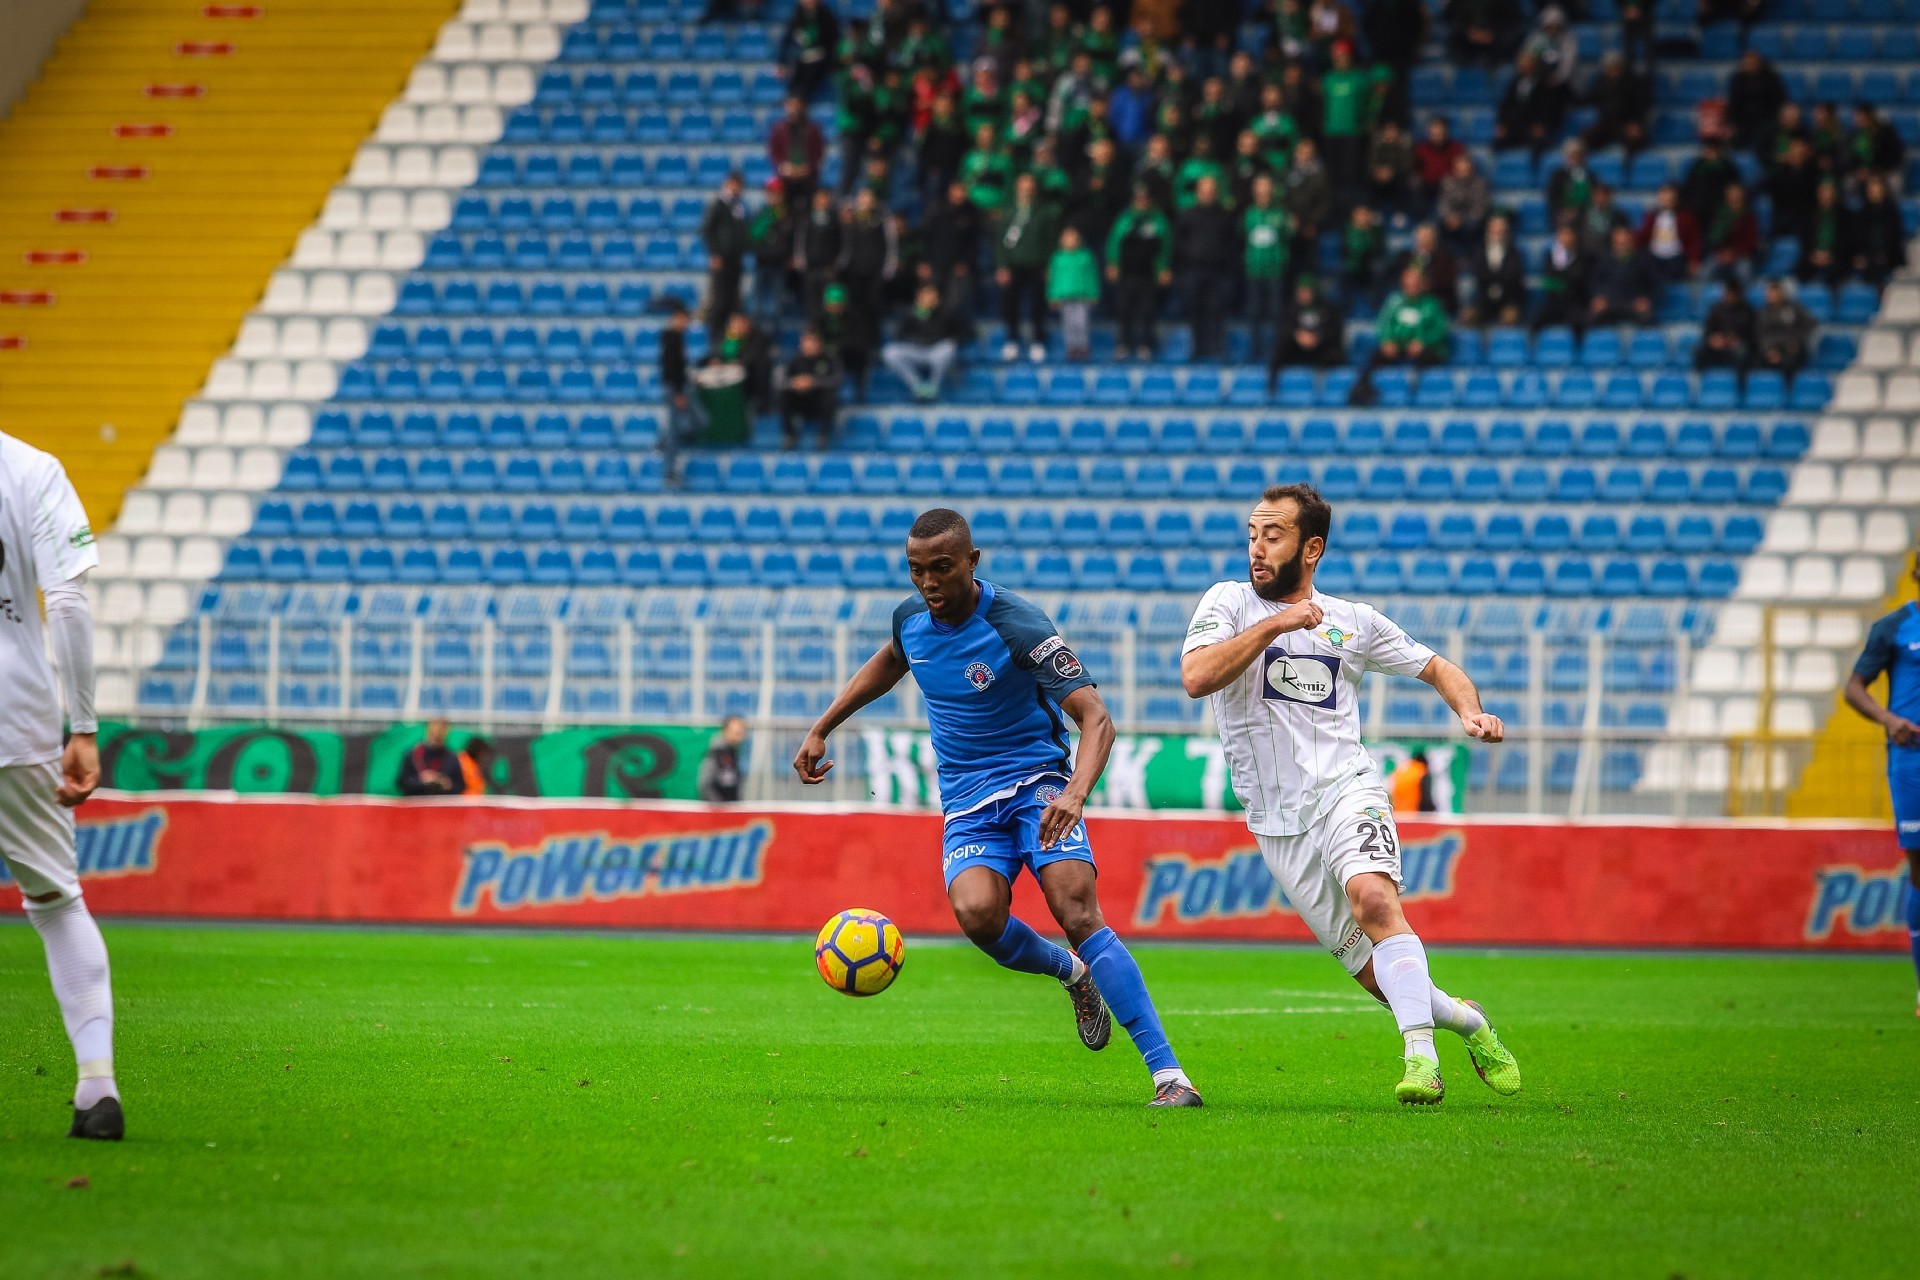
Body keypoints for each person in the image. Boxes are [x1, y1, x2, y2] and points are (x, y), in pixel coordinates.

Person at [794, 508, 1202, 1108]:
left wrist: (1074, 793)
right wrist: (822, 726)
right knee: (978, 915)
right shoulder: (910, 619)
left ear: (972, 561)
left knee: (1076, 911)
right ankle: (1073, 974)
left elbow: (1096, 718)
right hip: (967, 802)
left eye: (941, 567)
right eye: (916, 570)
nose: (928, 582)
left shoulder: (1018, 624)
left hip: (1038, 786)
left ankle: (1170, 1077)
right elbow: (890, 661)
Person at [1180, 483, 1521, 1105]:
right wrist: (1278, 623)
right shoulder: (1227, 602)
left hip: (1345, 788)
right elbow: (1197, 676)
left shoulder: (1353, 621)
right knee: (1374, 975)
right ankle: (1469, 1021)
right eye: (1253, 535)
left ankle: (1422, 1061)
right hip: (1276, 821)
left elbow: (1438, 668)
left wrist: (1470, 711)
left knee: (1373, 898)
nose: (1257, 548)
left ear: (1311, 549)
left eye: (1273, 536)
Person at [0, 429, 123, 1139]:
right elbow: (68, 603)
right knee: (55, 902)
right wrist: (84, 726)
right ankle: (96, 1087)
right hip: (15, 714)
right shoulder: (30, 469)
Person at [1841, 555, 1920, 1014]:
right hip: (1912, 761)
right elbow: (1854, 687)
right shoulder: (1894, 627)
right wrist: (1889, 719)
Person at [995, 173, 1060, 362]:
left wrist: (1048, 265)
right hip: (1012, 266)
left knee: (1037, 306)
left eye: (1030, 188)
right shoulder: (1008, 212)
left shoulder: (1043, 213)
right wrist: (1002, 265)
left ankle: (1038, 340)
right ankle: (1012, 339)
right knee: (1010, 305)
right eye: (1023, 188)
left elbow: (1050, 241)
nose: (1026, 191)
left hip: (1036, 266)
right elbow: (999, 242)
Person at [1174, 175, 1238, 361]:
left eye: (1211, 191)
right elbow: (1178, 242)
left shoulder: (1225, 216)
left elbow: (1232, 244)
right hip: (1193, 271)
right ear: (1198, 193)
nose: (1208, 194)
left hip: (1218, 271)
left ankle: (1217, 348)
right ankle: (1197, 348)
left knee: (1217, 311)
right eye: (1204, 191)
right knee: (1196, 312)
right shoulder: (1187, 215)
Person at [1105, 185, 1173, 360]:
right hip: (1127, 273)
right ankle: (1123, 344)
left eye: (1144, 199)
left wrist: (1163, 268)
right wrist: (1113, 263)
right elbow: (1114, 242)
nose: (1141, 202)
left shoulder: (1157, 220)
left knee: (1148, 311)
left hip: (1148, 274)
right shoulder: (1125, 219)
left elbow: (1165, 246)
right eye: (1138, 199)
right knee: (1124, 310)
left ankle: (1146, 345)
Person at [882, 283, 965, 400]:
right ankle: (917, 385)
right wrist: (915, 316)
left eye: (932, 296)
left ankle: (933, 387)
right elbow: (898, 335)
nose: (928, 299)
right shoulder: (910, 313)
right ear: (918, 297)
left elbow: (964, 333)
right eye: (925, 296)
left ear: (937, 298)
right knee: (890, 352)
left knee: (948, 348)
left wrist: (952, 340)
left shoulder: (946, 312)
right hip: (915, 349)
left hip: (936, 350)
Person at [1242, 175, 1292, 358]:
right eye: (1260, 188)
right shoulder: (1249, 214)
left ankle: (1277, 351)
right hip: (1254, 270)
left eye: (1266, 188)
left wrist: (1281, 261)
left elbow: (1288, 237)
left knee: (1276, 313)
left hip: (1275, 271)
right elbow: (1243, 237)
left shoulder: (1280, 214)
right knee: (1254, 312)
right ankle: (1254, 351)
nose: (1263, 192)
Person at [657, 300, 703, 487]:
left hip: (680, 387)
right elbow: (670, 369)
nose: (687, 324)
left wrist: (689, 379)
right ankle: (669, 473)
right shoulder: (671, 339)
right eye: (684, 320)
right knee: (675, 431)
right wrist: (678, 393)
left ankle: (664, 441)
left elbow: (679, 367)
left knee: (699, 421)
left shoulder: (677, 338)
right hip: (675, 390)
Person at [1268, 278, 1347, 386]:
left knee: (1333, 352)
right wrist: (1298, 335)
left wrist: (1317, 337)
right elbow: (1285, 327)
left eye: (1305, 292)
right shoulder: (1291, 309)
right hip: (1299, 348)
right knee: (1281, 345)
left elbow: (1334, 330)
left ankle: (1326, 382)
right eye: (1300, 292)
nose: (1302, 295)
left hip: (1320, 348)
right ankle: (1272, 381)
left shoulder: (1328, 308)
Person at [701, 171, 750, 342]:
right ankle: (715, 339)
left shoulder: (739, 207)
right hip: (722, 261)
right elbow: (707, 230)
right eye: (733, 184)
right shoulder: (718, 205)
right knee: (720, 302)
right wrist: (714, 253)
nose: (736, 188)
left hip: (735, 261)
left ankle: (729, 340)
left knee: (733, 303)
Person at [1373, 266, 1451, 366]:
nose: (1411, 288)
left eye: (1415, 284)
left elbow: (1440, 328)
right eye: (1408, 285)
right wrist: (1387, 340)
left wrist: (1423, 342)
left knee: (1428, 358)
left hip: (1425, 347)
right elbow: (1384, 324)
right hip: (1398, 347)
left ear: (1422, 284)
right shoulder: (1393, 302)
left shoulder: (1432, 304)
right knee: (1376, 357)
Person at [778, 328, 841, 448]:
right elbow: (782, 382)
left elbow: (836, 379)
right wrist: (795, 383)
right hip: (800, 402)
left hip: (819, 403)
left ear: (819, 344)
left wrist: (813, 382)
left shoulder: (829, 359)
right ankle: (790, 435)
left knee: (830, 396)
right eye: (805, 342)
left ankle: (823, 436)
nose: (808, 346)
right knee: (783, 394)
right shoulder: (795, 361)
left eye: (812, 342)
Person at [1046, 225, 1100, 361]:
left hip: (1082, 296)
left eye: (1073, 238)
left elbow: (1092, 277)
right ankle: (1071, 347)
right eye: (1067, 238)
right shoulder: (1057, 258)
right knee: (1068, 324)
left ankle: (1083, 346)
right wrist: (1052, 296)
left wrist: (1093, 294)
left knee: (1081, 323)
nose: (1070, 241)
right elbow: (1053, 279)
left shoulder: (1086, 256)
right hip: (1064, 296)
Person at [1588, 224, 1659, 326]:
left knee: (1646, 318)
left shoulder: (1643, 259)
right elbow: (1594, 282)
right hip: (1609, 303)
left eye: (1624, 240)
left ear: (1630, 240)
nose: (1621, 243)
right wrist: (1597, 297)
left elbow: (1655, 283)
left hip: (1634, 303)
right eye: (1618, 240)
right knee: (1590, 319)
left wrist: (1647, 299)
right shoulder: (1603, 260)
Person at [1464, 213, 1527, 327]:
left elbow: (1512, 276)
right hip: (1484, 300)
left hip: (1507, 300)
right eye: (1494, 230)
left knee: (1510, 317)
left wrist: (1492, 275)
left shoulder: (1513, 252)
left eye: (1501, 230)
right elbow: (1479, 274)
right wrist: (1497, 275)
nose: (1497, 233)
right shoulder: (1480, 252)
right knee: (1468, 316)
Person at [1532, 220, 1591, 331]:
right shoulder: (1550, 257)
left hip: (1574, 304)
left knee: (1579, 323)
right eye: (1562, 234)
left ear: (1575, 236)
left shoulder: (1583, 258)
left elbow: (1578, 283)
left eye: (1568, 234)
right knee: (1536, 322)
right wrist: (1564, 281)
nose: (1565, 238)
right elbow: (1549, 282)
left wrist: (1562, 279)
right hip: (1554, 302)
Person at [769, 96, 827, 207]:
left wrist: (807, 168)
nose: (793, 108)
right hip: (786, 178)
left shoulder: (812, 128)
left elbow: (819, 151)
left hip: (808, 179)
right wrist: (783, 167)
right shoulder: (779, 128)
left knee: (809, 207)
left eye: (796, 105)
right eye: (791, 105)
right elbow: (773, 152)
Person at [777, 0, 839, 101]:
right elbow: (787, 39)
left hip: (821, 59)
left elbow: (833, 41)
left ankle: (801, 101)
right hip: (802, 58)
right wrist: (782, 62)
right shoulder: (797, 15)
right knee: (793, 80)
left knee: (808, 81)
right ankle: (793, 100)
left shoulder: (826, 16)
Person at [1726, 49, 1786, 154]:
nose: (1750, 65)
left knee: (1769, 139)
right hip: (1744, 120)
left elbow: (1780, 100)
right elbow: (1733, 103)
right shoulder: (1738, 79)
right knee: (1733, 139)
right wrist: (1730, 123)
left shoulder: (1771, 78)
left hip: (1767, 119)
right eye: (1747, 63)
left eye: (1753, 62)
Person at [1636, 184, 1700, 281]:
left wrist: (1693, 260)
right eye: (1664, 197)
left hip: (1676, 258)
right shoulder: (1652, 216)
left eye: (1670, 197)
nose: (1667, 200)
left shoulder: (1685, 217)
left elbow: (1693, 240)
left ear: (1676, 199)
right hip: (1654, 257)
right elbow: (1643, 237)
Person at [1754, 277, 1816, 375]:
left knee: (1790, 361)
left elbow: (1810, 323)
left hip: (1790, 348)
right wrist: (1769, 350)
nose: (1771, 295)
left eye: (1774, 292)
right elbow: (1761, 334)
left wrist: (1797, 340)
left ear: (1781, 293)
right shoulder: (1763, 312)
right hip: (1771, 349)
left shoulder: (1794, 308)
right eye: (1769, 292)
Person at [1693, 275, 1755, 371]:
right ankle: (1701, 377)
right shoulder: (1716, 309)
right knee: (1699, 350)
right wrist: (1713, 339)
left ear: (1738, 294)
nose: (1729, 296)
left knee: (1743, 352)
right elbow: (1708, 331)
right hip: (1719, 344)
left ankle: (1739, 379)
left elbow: (1751, 335)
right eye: (1727, 293)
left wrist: (1738, 340)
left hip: (1736, 346)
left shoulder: (1747, 311)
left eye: (1732, 294)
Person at [399, 717, 463, 795]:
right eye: (435, 725)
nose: (438, 730)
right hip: (418, 799)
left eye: (443, 726)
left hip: (441, 800)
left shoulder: (451, 757)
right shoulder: (413, 755)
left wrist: (448, 785)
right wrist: (421, 781)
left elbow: (460, 785)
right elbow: (403, 782)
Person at [698, 715, 748, 803]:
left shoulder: (733, 752)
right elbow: (705, 784)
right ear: (726, 731)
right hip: (717, 808)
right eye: (738, 733)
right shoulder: (716, 752)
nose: (742, 736)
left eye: (742, 732)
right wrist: (719, 806)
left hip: (731, 806)